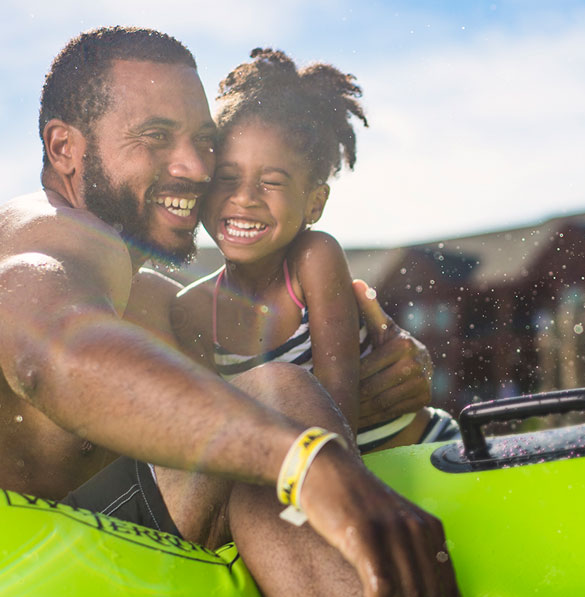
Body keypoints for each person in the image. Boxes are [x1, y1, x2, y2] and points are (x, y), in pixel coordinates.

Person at [0, 27, 460, 597]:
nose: (197, 168)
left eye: (204, 142)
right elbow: (55, 358)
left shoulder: (140, 297)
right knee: (273, 407)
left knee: (261, 419)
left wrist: (380, 381)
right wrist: (307, 460)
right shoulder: (52, 234)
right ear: (64, 147)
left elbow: (203, 415)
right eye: (156, 138)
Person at [171, 49, 456, 453]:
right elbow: (211, 437)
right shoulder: (191, 310)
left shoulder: (314, 259)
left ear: (314, 204)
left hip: (422, 457)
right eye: (226, 177)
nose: (244, 197)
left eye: (270, 182)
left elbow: (335, 415)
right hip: (310, 489)